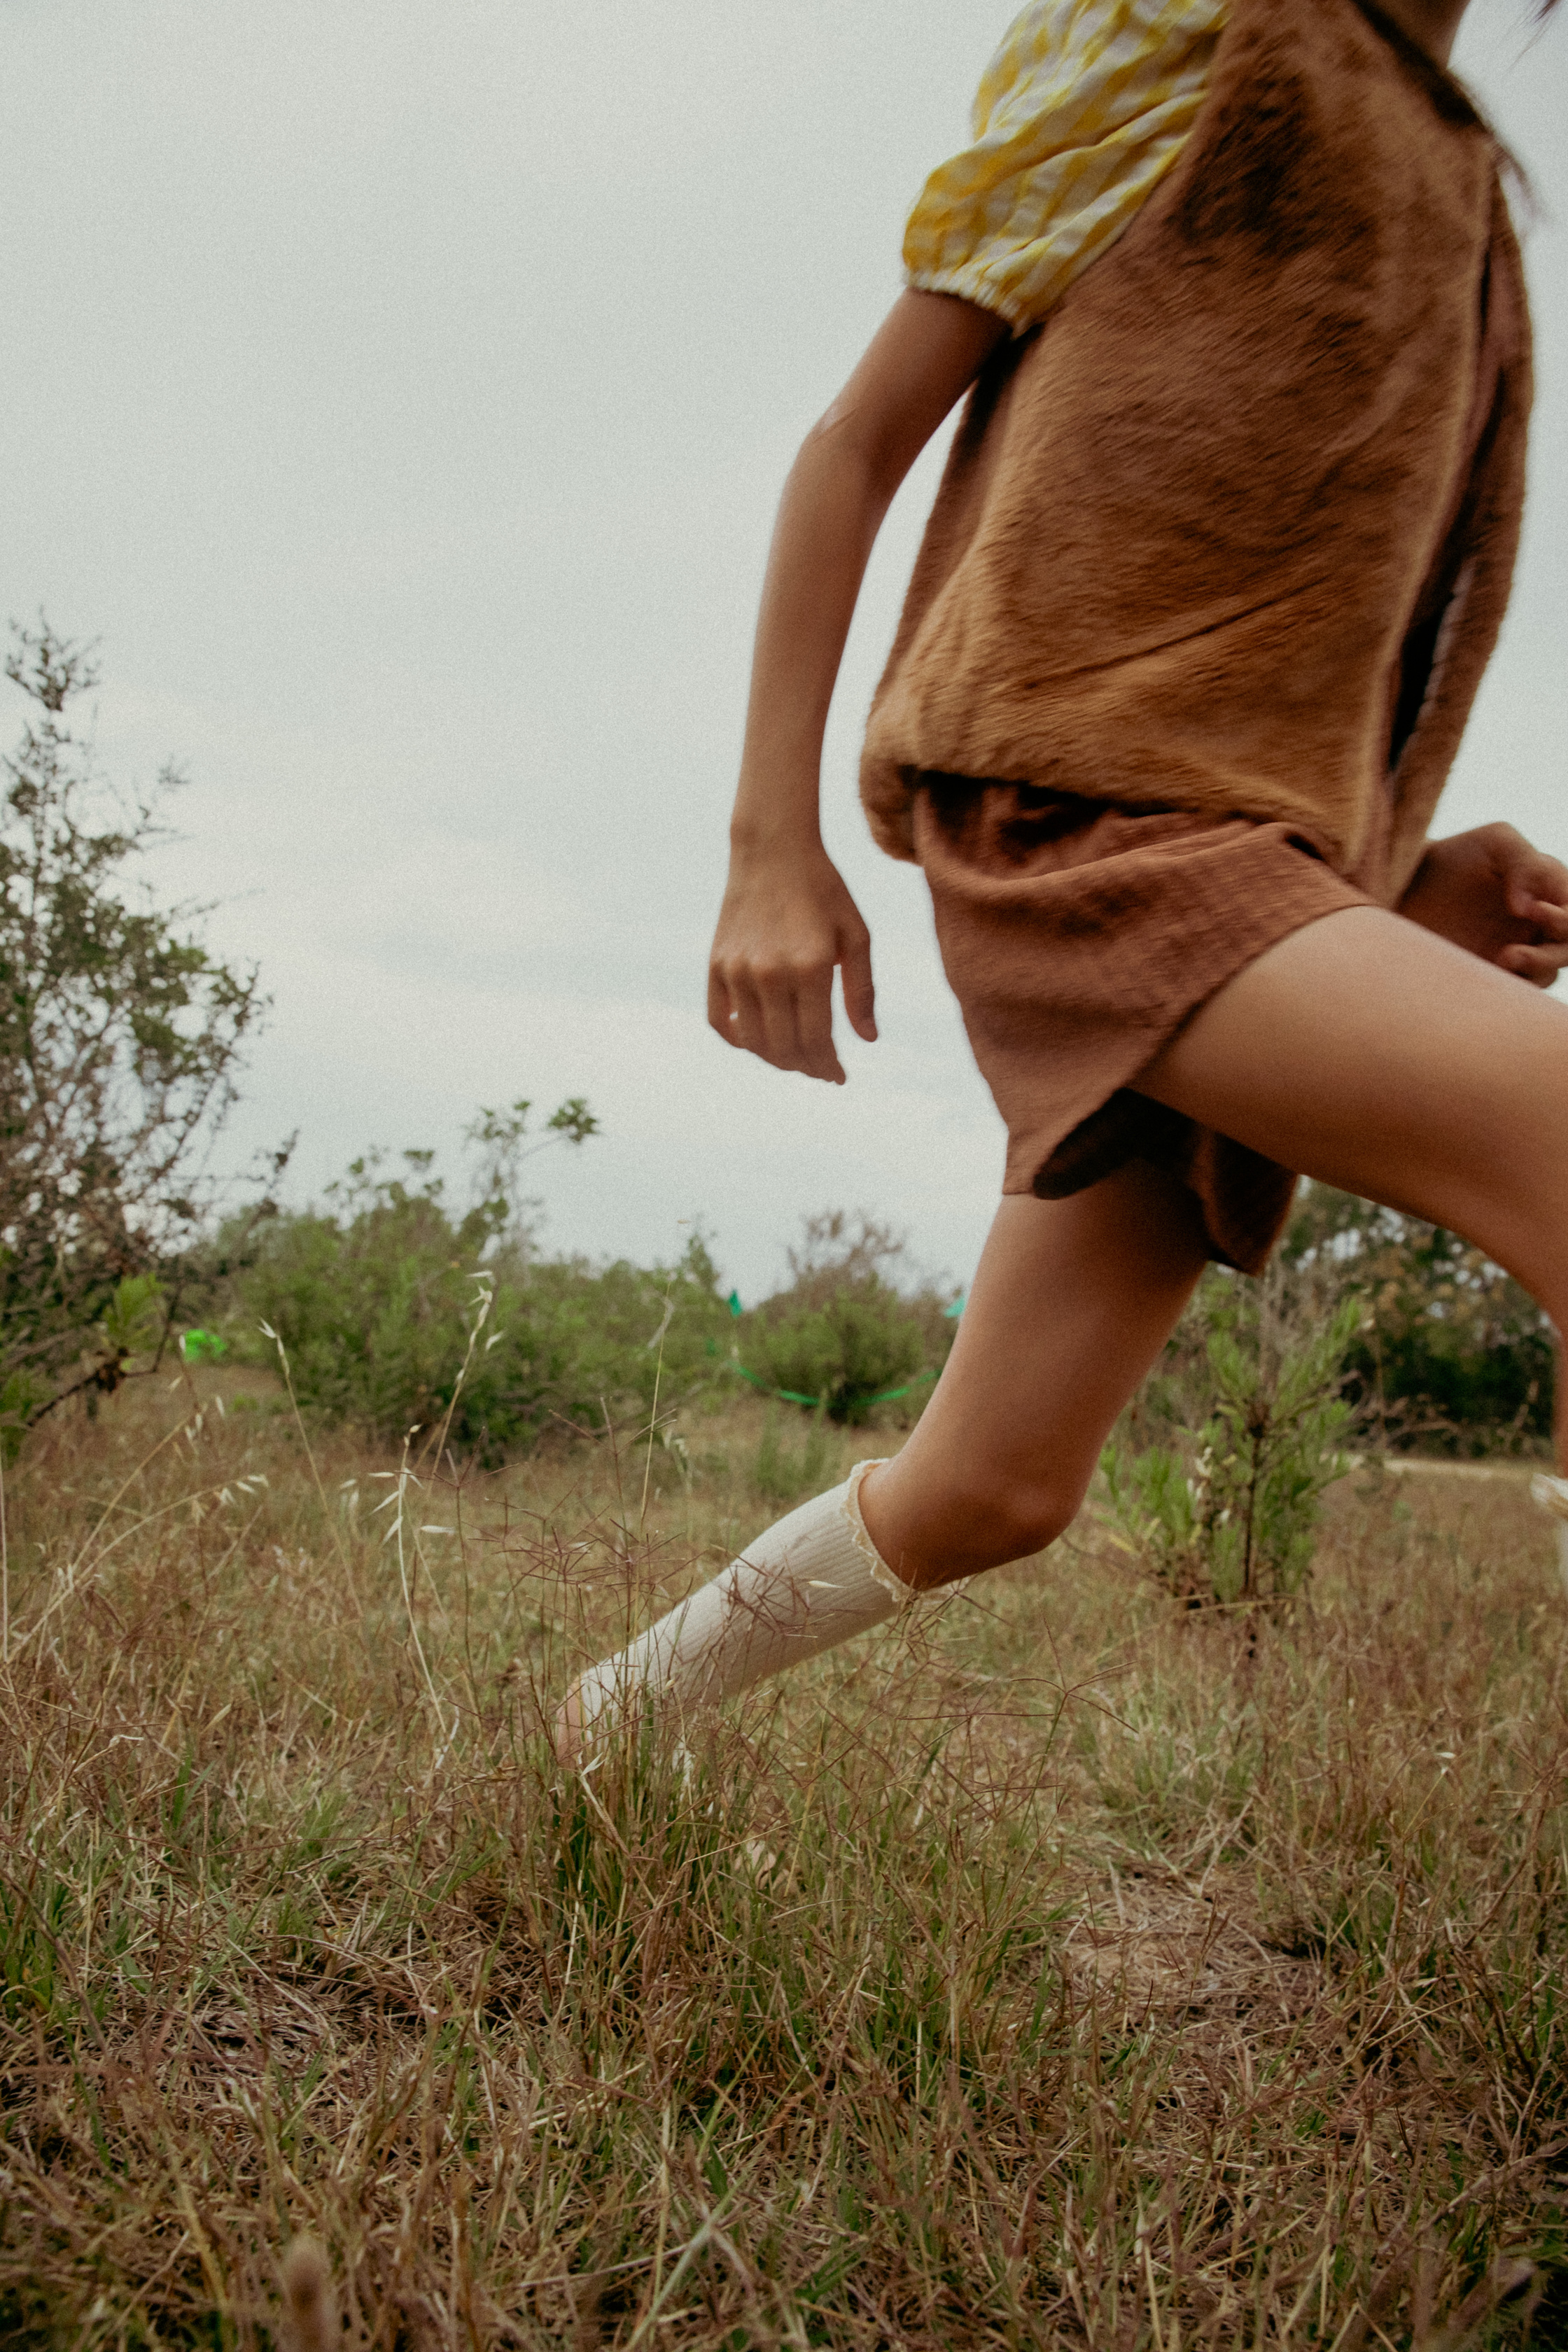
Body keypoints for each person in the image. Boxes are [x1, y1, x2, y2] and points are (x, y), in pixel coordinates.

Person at [556, 0, 1566, 1757]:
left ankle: (603, 1723)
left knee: (992, 1484)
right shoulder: (1191, 32)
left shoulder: (1468, 186)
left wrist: (1403, 888)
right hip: (1082, 820)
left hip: (1256, 870)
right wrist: (764, 845)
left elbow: (1283, 636)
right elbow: (854, 443)